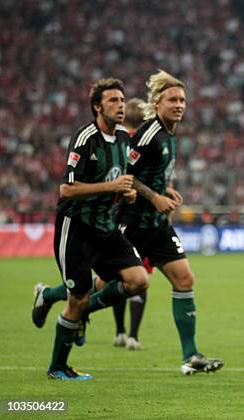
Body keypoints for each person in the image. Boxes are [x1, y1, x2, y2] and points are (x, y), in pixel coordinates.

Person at [31, 78, 149, 380]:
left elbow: (119, 181)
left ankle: (52, 297)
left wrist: (127, 193)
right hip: (78, 229)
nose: (120, 106)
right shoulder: (85, 138)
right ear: (97, 107)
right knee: (77, 298)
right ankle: (58, 367)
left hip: (106, 227)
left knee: (138, 280)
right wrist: (112, 186)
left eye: (122, 100)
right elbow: (67, 190)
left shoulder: (124, 139)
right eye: (113, 101)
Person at [119, 70, 222, 374]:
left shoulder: (170, 133)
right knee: (105, 285)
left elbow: (151, 175)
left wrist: (165, 191)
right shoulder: (149, 133)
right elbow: (125, 174)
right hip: (133, 221)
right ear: (157, 102)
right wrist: (154, 197)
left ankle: (191, 356)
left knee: (184, 279)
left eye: (182, 100)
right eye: (172, 99)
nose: (179, 105)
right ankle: (56, 299)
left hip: (156, 224)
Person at [98, 97, 151, 351]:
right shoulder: (139, 141)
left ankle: (119, 332)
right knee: (140, 276)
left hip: (115, 218)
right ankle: (133, 335)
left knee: (117, 277)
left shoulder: (116, 140)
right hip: (137, 219)